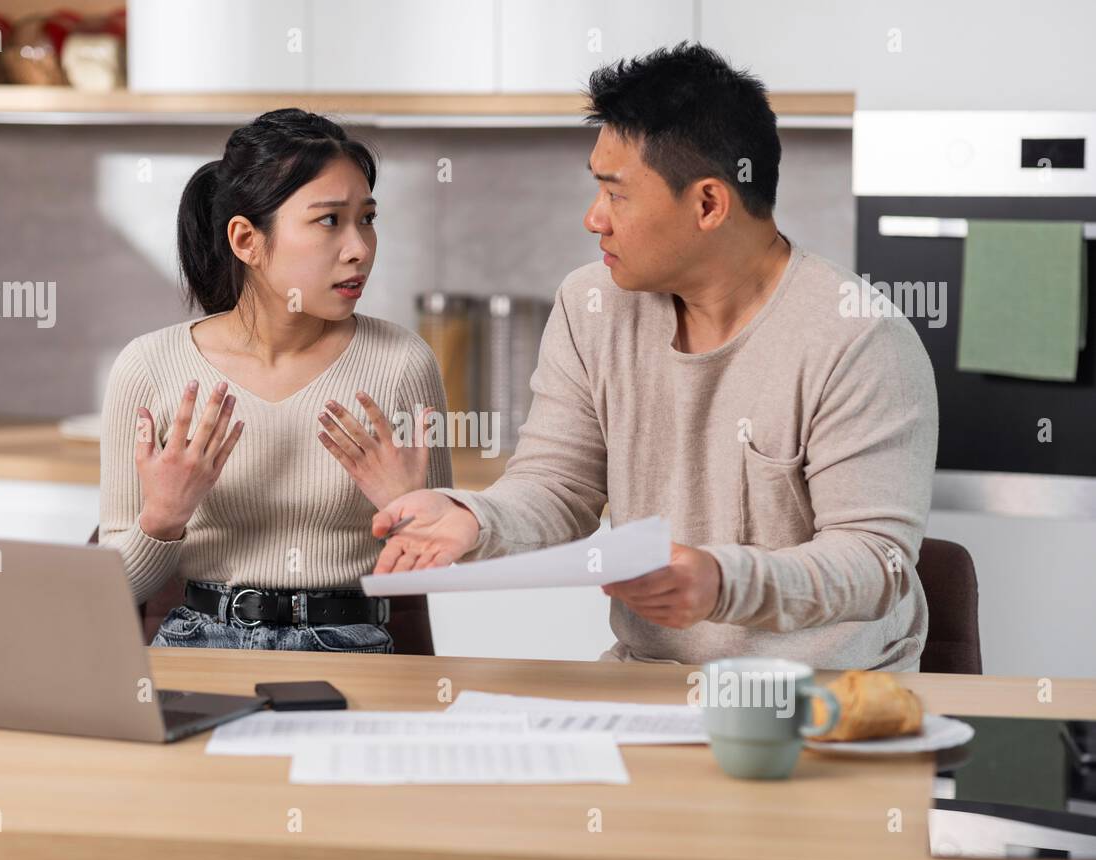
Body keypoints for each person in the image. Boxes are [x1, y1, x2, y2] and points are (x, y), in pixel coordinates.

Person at [369, 44, 939, 671]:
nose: (594, 219)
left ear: (708, 205)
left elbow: (874, 559)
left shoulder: (857, 337)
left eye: (616, 195)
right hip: (649, 684)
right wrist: (473, 516)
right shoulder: (591, 305)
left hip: (824, 698)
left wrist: (722, 581)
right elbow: (558, 486)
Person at [99, 109, 451, 653]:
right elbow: (110, 589)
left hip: (351, 643)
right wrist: (163, 519)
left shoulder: (402, 365)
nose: (359, 247)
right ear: (246, 240)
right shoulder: (148, 367)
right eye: (330, 220)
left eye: (368, 218)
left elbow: (436, 575)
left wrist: (409, 512)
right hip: (197, 644)